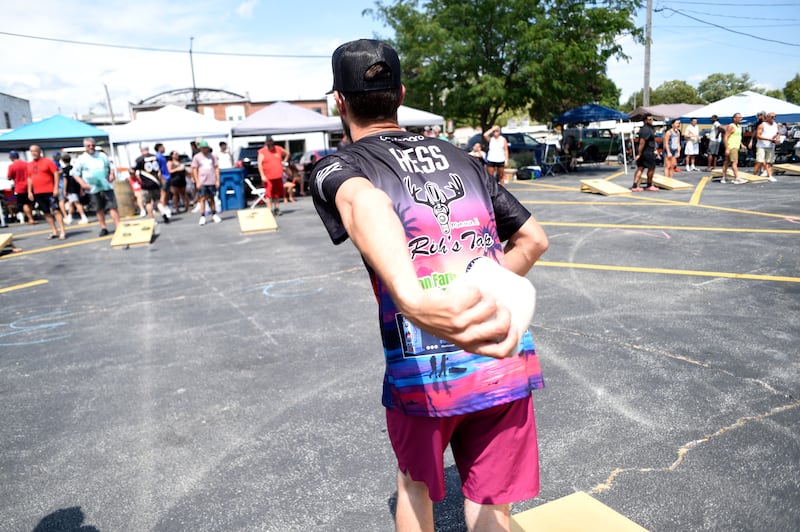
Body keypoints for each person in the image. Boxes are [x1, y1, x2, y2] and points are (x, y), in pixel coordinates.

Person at [310, 39, 549, 532]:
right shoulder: (464, 159)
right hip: (500, 352)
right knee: (491, 505)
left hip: (422, 373)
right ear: (400, 92)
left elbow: (364, 204)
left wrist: (416, 298)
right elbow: (533, 239)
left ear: (339, 101)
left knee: (415, 488)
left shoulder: (342, 166)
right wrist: (483, 294)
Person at [72, 137, 120, 236]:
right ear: (85, 147)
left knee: (113, 207)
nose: (91, 147)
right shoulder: (81, 159)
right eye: (88, 146)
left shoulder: (102, 155)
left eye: (92, 145)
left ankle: (118, 226)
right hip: (93, 188)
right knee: (99, 209)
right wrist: (82, 184)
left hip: (106, 186)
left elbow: (110, 166)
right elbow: (75, 174)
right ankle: (103, 228)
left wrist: (111, 174)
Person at [27, 145, 66, 240]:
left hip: (50, 190)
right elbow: (29, 178)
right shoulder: (29, 164)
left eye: (35, 151)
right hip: (38, 192)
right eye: (32, 151)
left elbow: (56, 173)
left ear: (39, 151)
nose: (33, 153)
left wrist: (56, 188)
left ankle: (62, 231)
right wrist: (29, 191)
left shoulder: (47, 161)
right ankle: (54, 231)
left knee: (56, 210)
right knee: (46, 212)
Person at [190, 140, 221, 225]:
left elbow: (216, 168)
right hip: (202, 181)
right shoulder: (197, 157)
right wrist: (197, 181)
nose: (205, 149)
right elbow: (194, 169)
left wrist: (217, 180)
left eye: (206, 148)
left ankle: (214, 214)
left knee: (212, 198)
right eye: (203, 148)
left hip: (211, 180)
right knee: (202, 198)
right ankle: (203, 215)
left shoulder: (212, 157)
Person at [257, 135, 289, 216]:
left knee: (277, 194)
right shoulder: (262, 151)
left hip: (278, 175)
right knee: (269, 194)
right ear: (266, 142)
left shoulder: (278, 149)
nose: (269, 142)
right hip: (268, 177)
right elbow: (259, 164)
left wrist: (284, 162)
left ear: (272, 141)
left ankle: (277, 209)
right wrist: (262, 176)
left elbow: (287, 153)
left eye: (271, 141)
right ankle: (269, 210)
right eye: (268, 141)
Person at [132, 146, 164, 222]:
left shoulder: (139, 159)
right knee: (157, 200)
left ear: (141, 151)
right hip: (156, 182)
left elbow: (132, 170)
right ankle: (163, 212)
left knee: (148, 202)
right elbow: (159, 169)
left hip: (146, 183)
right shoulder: (155, 157)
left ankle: (152, 219)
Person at [631, 114, 658, 192]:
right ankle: (648, 185)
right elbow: (642, 142)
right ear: (645, 120)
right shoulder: (646, 129)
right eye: (649, 119)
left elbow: (652, 141)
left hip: (648, 151)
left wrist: (655, 149)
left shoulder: (649, 129)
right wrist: (639, 154)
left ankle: (635, 185)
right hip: (647, 152)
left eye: (652, 119)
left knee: (641, 168)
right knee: (651, 168)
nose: (651, 121)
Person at [60, 153, 89, 225]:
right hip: (76, 187)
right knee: (71, 203)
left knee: (76, 203)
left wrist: (64, 190)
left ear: (63, 161)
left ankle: (83, 217)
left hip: (70, 188)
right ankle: (69, 217)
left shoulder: (65, 170)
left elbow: (65, 180)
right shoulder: (73, 168)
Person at [7, 150, 34, 225]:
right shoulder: (26, 164)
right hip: (29, 185)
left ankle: (30, 218)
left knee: (24, 203)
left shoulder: (12, 166)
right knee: (30, 203)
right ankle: (31, 216)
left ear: (11, 158)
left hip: (19, 187)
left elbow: (9, 177)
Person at [721, 113, 748, 185]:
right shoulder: (731, 126)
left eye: (741, 117)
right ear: (734, 118)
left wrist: (741, 144)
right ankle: (737, 178)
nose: (740, 119)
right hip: (732, 146)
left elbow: (738, 137)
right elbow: (726, 137)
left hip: (736, 146)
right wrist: (727, 148)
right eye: (738, 117)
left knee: (727, 162)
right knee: (734, 162)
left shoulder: (738, 126)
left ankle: (724, 177)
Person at [755, 112, 779, 182]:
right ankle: (754, 174)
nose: (773, 118)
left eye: (774, 117)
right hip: (761, 145)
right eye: (771, 117)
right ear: (767, 117)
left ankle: (770, 176)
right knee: (760, 161)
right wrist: (769, 139)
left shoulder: (775, 125)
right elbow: (758, 136)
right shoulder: (762, 125)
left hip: (770, 146)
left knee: (769, 162)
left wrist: (777, 138)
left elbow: (777, 133)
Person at [154, 143, 173, 221]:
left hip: (167, 176)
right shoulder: (157, 156)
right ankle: (163, 210)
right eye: (162, 147)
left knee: (167, 194)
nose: (164, 148)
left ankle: (166, 207)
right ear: (159, 148)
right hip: (164, 177)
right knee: (163, 194)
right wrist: (161, 178)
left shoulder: (162, 156)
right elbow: (157, 169)